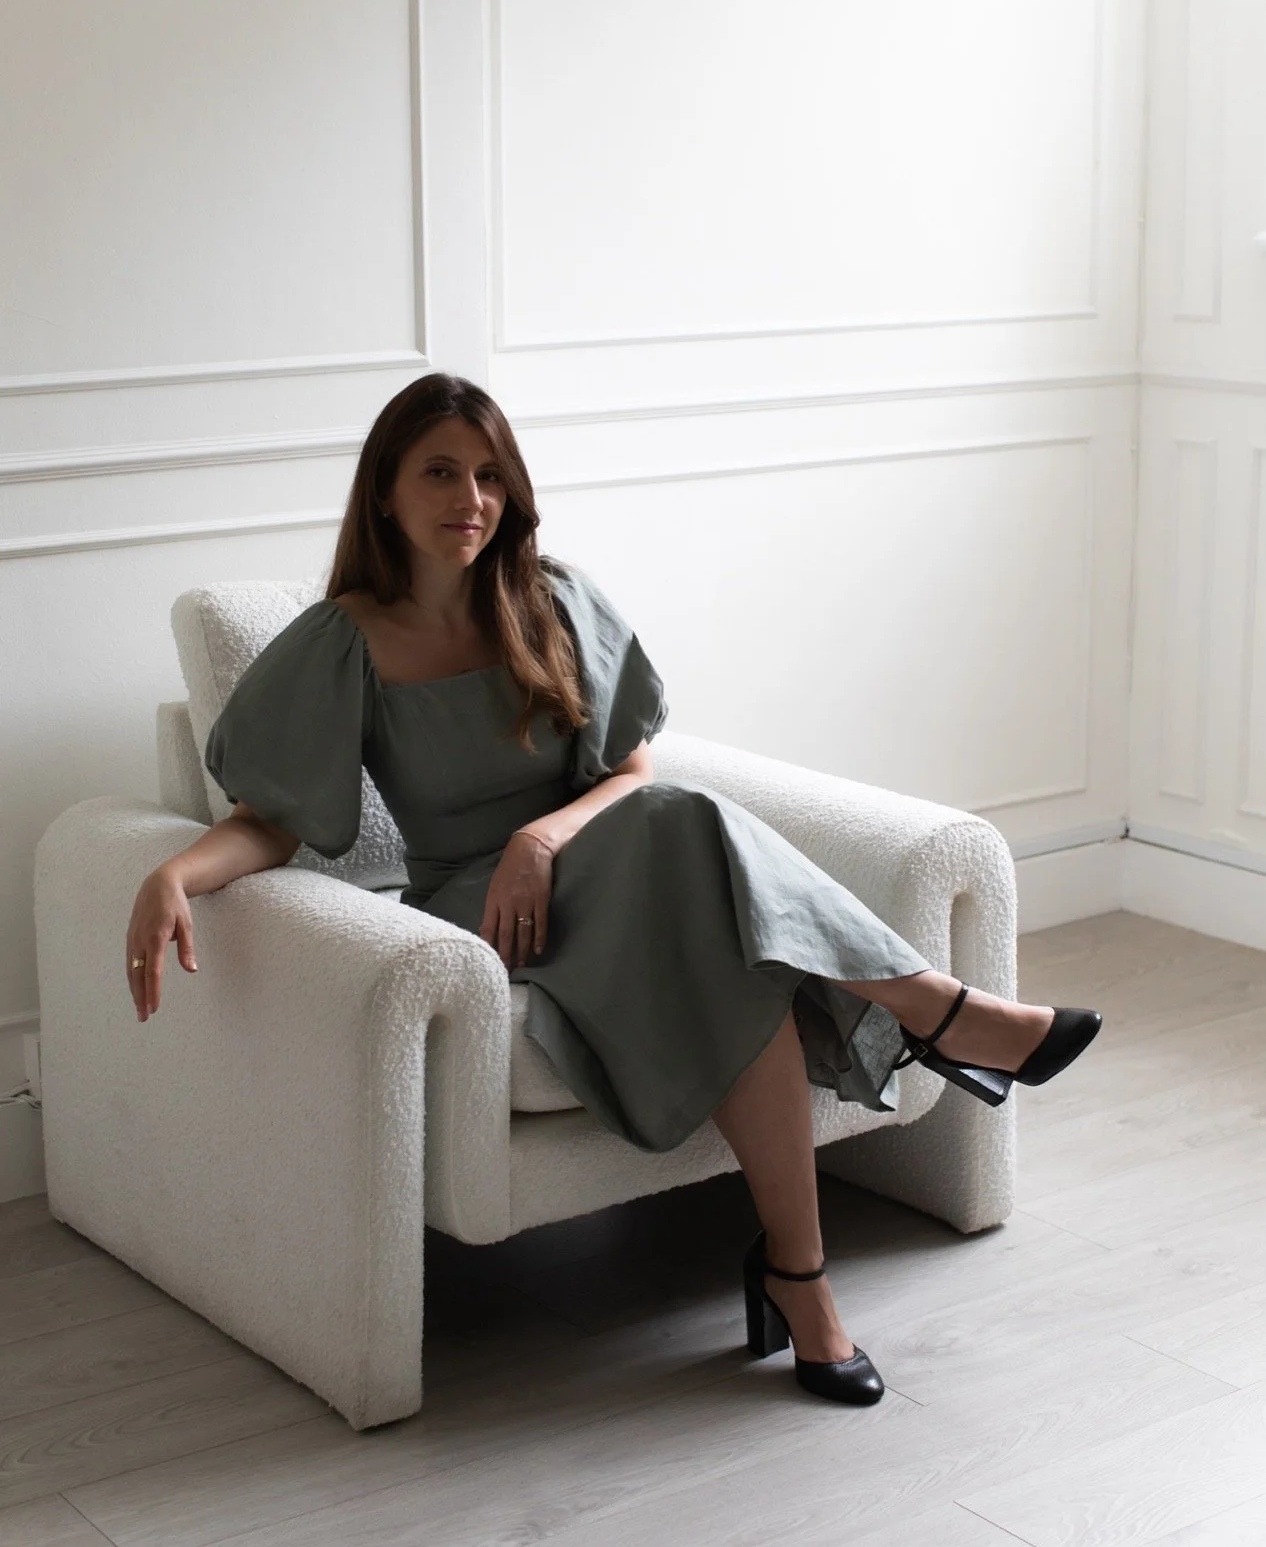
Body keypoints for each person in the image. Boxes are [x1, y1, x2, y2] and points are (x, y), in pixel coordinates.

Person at [124, 373, 1101, 1408]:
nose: (473, 496)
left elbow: (629, 772)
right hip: (482, 916)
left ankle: (803, 1281)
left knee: (733, 957)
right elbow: (274, 817)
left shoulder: (552, 599)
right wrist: (173, 871)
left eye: (492, 473)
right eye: (443, 472)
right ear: (386, 493)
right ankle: (931, 1008)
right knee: (685, 825)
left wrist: (543, 833)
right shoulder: (345, 641)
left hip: (593, 874)